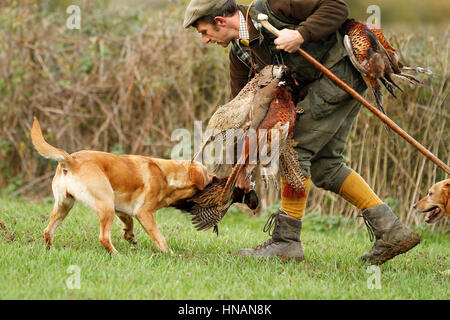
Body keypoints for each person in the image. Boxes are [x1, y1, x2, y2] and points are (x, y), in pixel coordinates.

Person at [183, 0, 420, 265]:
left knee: (293, 150)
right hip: (327, 85)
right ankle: (391, 230)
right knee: (326, 166)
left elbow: (337, 7)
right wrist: (240, 168)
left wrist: (300, 35)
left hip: (339, 73)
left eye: (204, 32)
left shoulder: (274, 8)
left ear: (220, 21)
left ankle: (286, 242)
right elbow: (242, 110)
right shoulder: (240, 55)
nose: (205, 40)